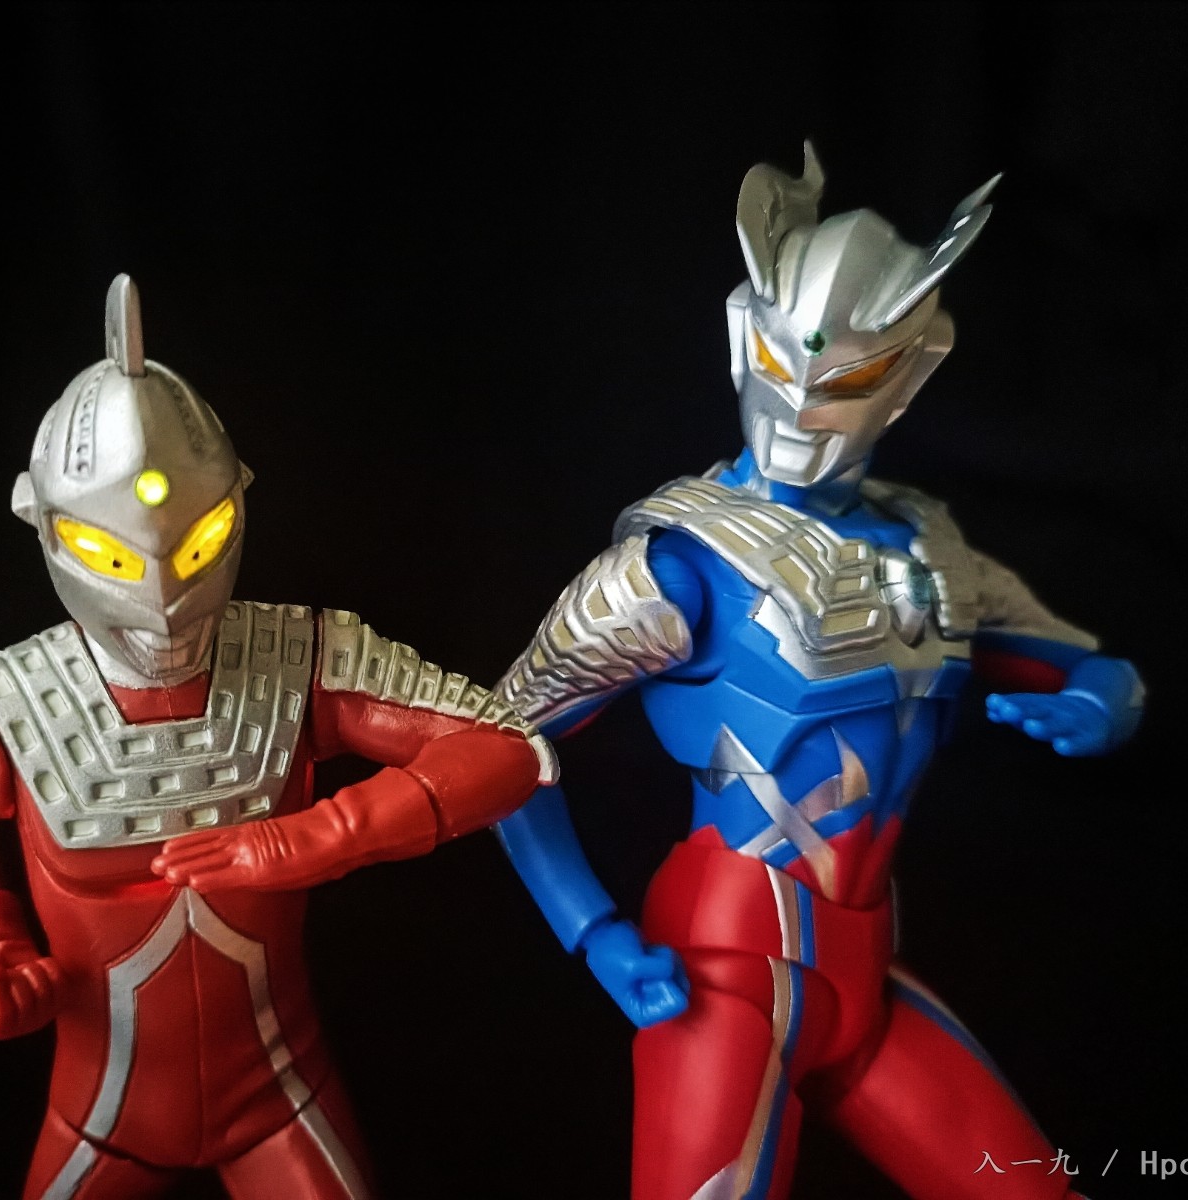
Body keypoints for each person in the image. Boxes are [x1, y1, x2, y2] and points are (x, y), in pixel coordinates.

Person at [488, 146, 1143, 1200]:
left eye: (844, 383)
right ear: (743, 341)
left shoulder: (932, 549)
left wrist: (1099, 706)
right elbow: (501, 746)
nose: (800, 409)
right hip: (724, 973)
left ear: (912, 370)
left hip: (867, 972)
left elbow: (1092, 664)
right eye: (781, 367)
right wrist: (593, 931)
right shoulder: (676, 565)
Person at [0, 274, 554, 1200]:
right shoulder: (3, 702)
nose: (162, 597)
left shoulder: (301, 655)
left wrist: (321, 836)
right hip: (99, 1115)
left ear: (237, 505)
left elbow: (506, 747)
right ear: (46, 529)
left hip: (280, 1091)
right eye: (113, 557)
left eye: (198, 545)